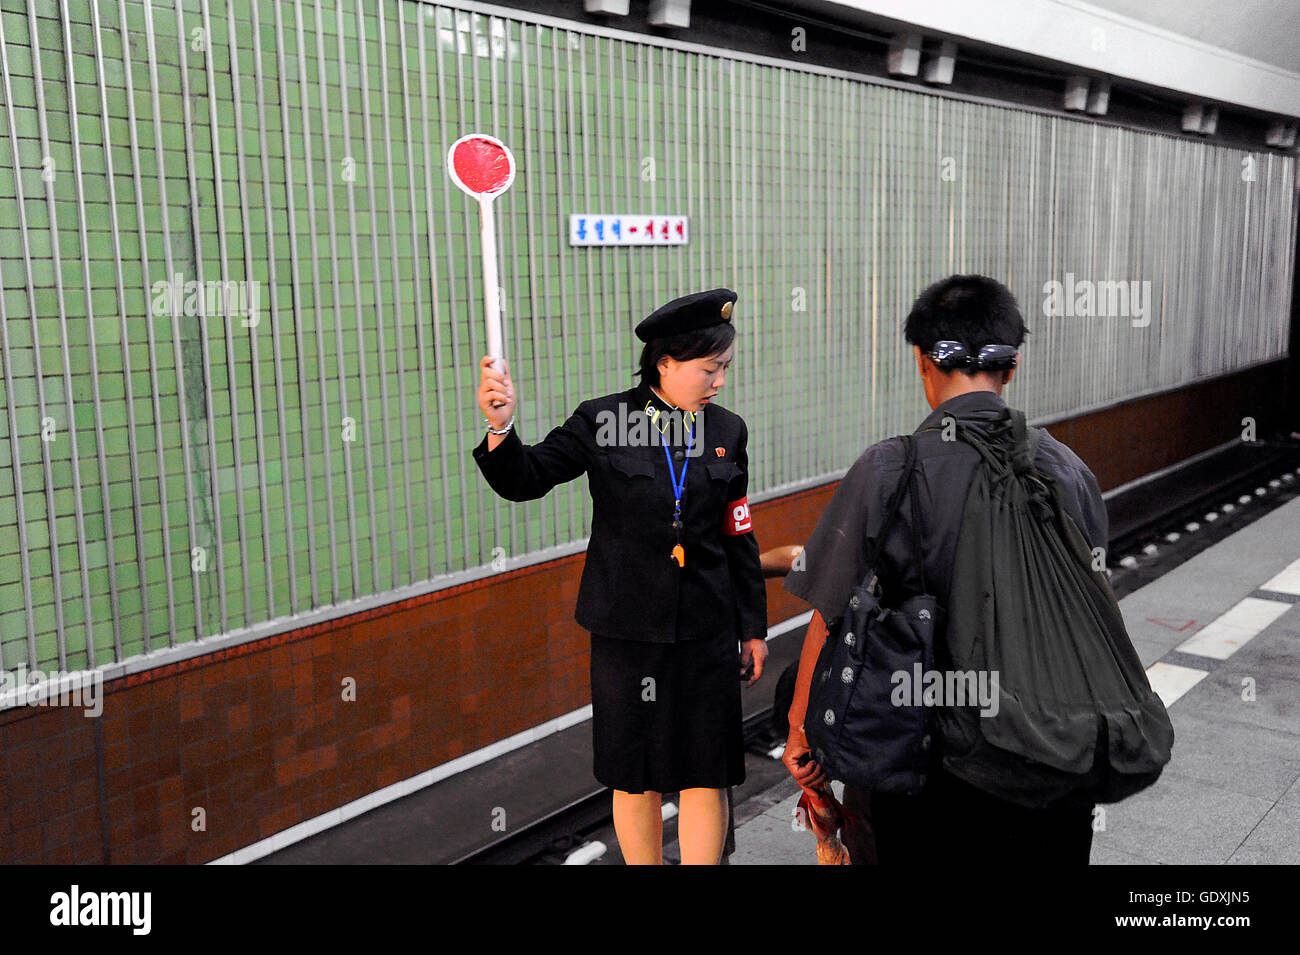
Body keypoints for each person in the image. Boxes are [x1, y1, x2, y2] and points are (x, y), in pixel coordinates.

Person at [780, 274, 1109, 865]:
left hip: (915, 769)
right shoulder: (1070, 472)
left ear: (922, 361)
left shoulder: (889, 469)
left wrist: (801, 732)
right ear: (1010, 367)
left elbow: (832, 614)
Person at [472, 288, 769, 865]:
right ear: (666, 362)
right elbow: (525, 477)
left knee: (706, 771)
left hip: (706, 630)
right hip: (626, 636)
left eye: (725, 370)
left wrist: (753, 627)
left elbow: (739, 536)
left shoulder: (727, 430)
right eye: (710, 369)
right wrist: (501, 428)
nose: (719, 383)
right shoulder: (603, 420)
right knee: (635, 774)